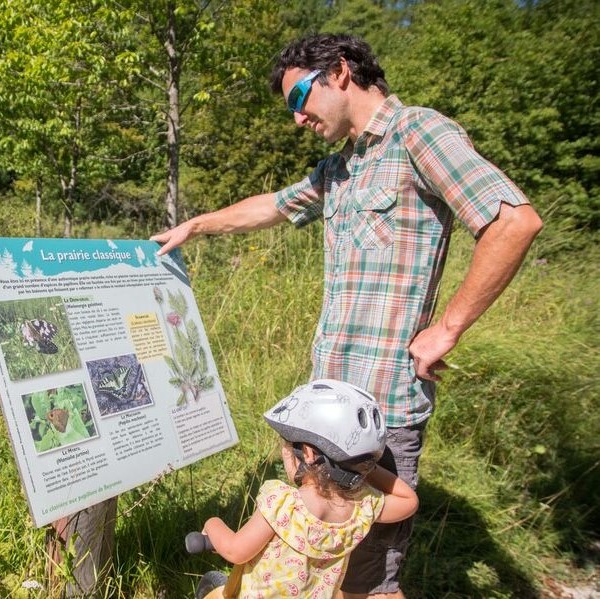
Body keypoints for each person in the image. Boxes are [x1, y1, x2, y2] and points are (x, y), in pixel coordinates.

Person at [152, 33, 543, 598]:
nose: (296, 118)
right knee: (315, 561)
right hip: (322, 409)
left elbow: (513, 221)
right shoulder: (339, 167)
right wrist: (197, 225)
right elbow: (273, 206)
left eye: (298, 99)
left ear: (338, 72)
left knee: (370, 580)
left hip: (381, 413)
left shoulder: (419, 133)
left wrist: (448, 328)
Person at [195, 379, 418, 598]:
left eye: (291, 445)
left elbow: (236, 551)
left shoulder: (284, 505)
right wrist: (365, 466)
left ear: (309, 454)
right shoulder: (361, 508)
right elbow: (409, 501)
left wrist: (212, 525)